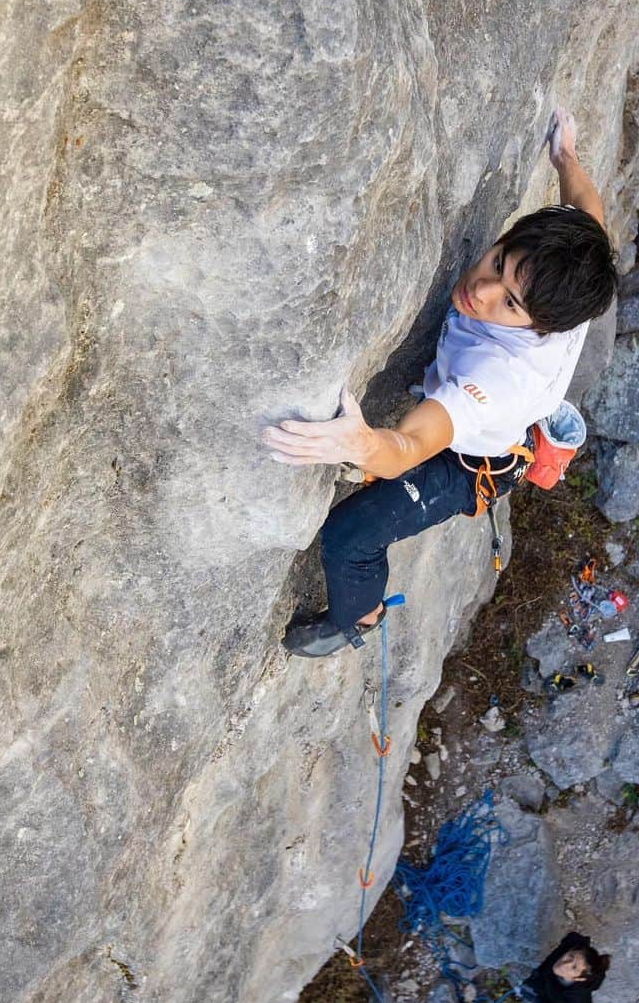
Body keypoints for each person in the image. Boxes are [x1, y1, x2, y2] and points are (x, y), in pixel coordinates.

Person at [263, 107, 617, 657]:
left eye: (510, 304)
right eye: (498, 262)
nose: (482, 290)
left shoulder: (496, 379)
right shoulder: (568, 275)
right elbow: (588, 211)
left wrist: (363, 446)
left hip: (470, 463)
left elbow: (411, 445)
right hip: (493, 424)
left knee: (349, 537)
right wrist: (564, 154)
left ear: (544, 326)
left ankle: (358, 616)